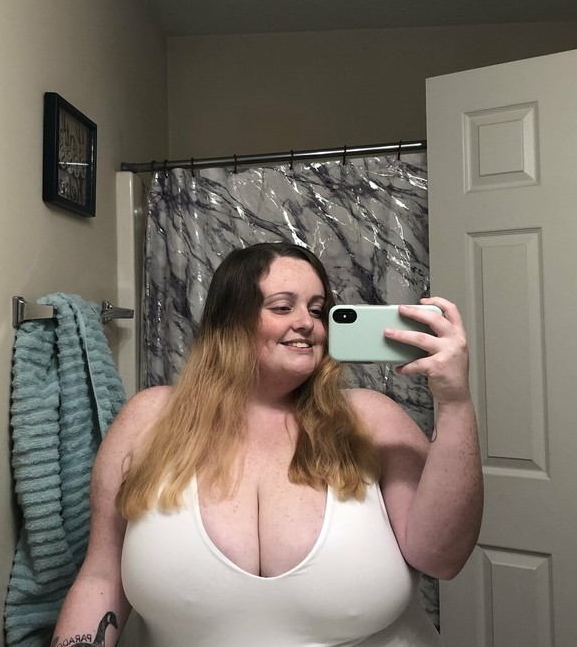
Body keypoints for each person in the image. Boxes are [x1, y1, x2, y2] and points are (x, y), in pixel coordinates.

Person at [51, 242, 482, 647]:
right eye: (282, 306)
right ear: (230, 320)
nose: (307, 322)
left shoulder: (370, 419)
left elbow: (441, 558)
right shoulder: (148, 419)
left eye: (318, 309)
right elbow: (101, 577)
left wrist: (455, 401)